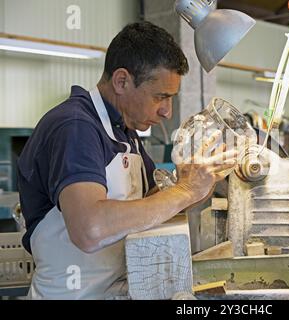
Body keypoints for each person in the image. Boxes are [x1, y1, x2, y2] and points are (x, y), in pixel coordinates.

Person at [17, 21, 236, 299]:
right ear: (122, 81)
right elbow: (90, 229)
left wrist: (195, 182)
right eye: (161, 97)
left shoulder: (126, 132)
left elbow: (152, 208)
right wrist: (184, 191)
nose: (167, 111)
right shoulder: (75, 126)